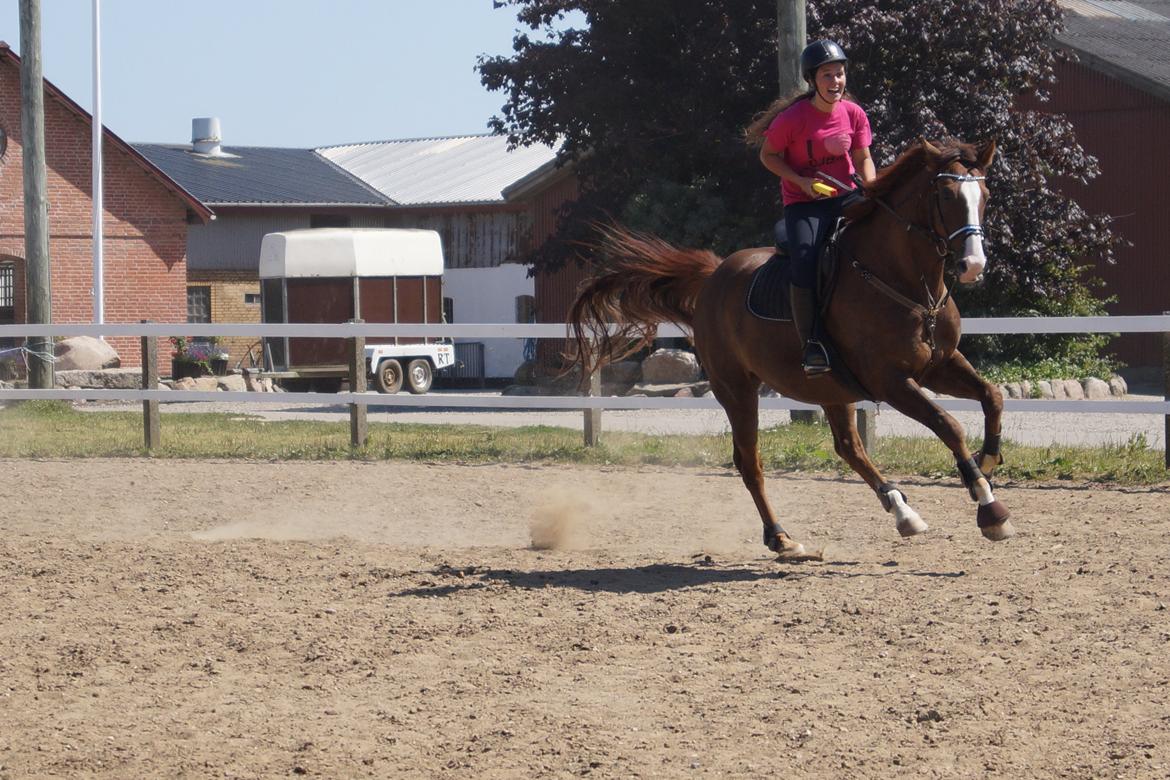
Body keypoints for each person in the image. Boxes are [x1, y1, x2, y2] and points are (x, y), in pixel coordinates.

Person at [747, 39, 877, 376]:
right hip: (805, 203)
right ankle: (813, 344)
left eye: (840, 74)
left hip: (847, 195)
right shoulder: (792, 119)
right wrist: (800, 181)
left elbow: (863, 157)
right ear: (812, 80)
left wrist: (872, 189)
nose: (836, 82)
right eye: (828, 76)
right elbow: (767, 156)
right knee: (805, 261)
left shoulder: (854, 114)